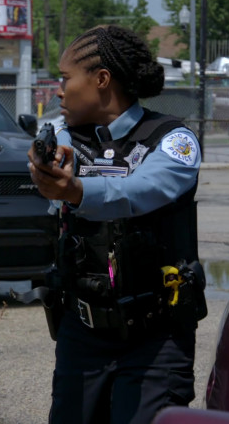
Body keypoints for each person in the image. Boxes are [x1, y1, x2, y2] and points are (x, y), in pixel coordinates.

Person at [26, 24, 206, 424]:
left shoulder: (173, 140)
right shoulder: (62, 133)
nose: (58, 89)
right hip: (82, 333)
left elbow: (138, 192)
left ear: (101, 80)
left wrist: (75, 191)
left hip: (156, 340)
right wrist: (44, 168)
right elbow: (45, 156)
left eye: (65, 77)